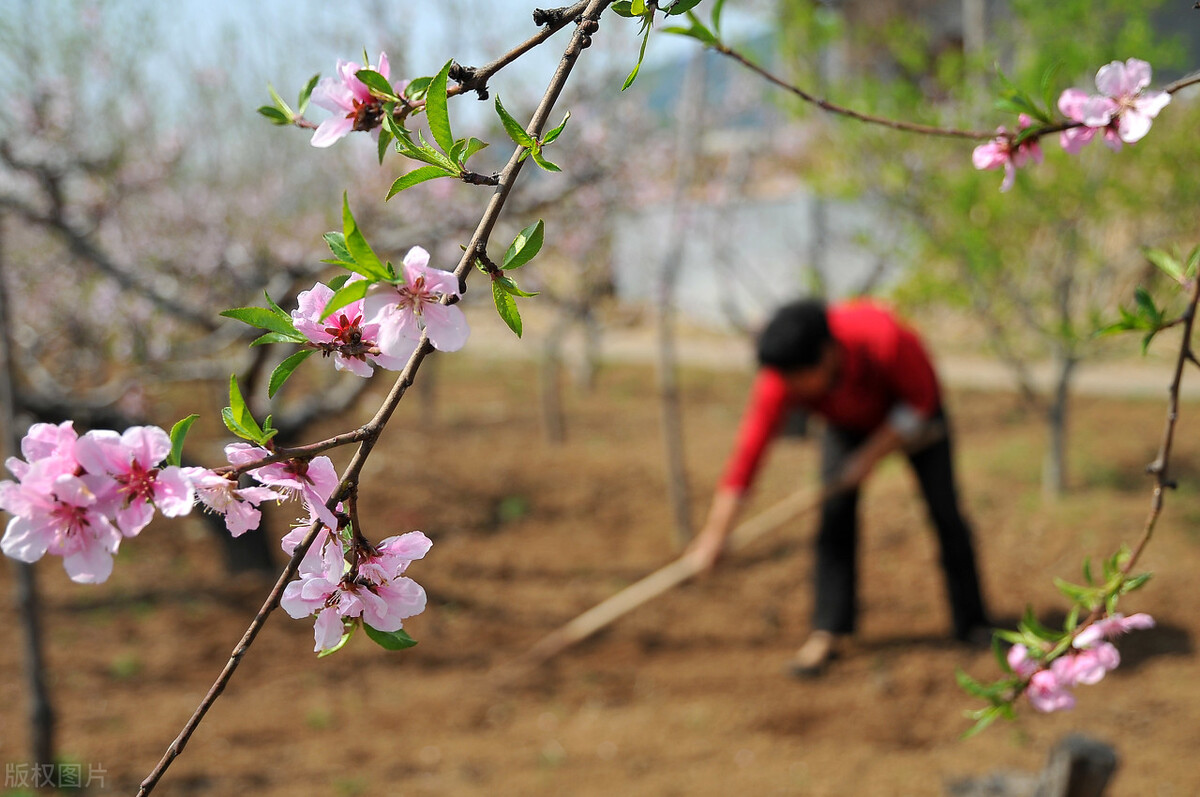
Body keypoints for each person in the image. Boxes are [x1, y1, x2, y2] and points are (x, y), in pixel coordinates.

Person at [686, 297, 989, 675]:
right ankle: (829, 630)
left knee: (945, 512)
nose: (792, 389)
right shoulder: (783, 376)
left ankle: (973, 623)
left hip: (915, 416)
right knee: (834, 519)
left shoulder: (885, 338)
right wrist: (715, 536)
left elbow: (921, 402)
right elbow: (747, 458)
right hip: (846, 425)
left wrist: (870, 456)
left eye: (799, 378)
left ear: (827, 354)